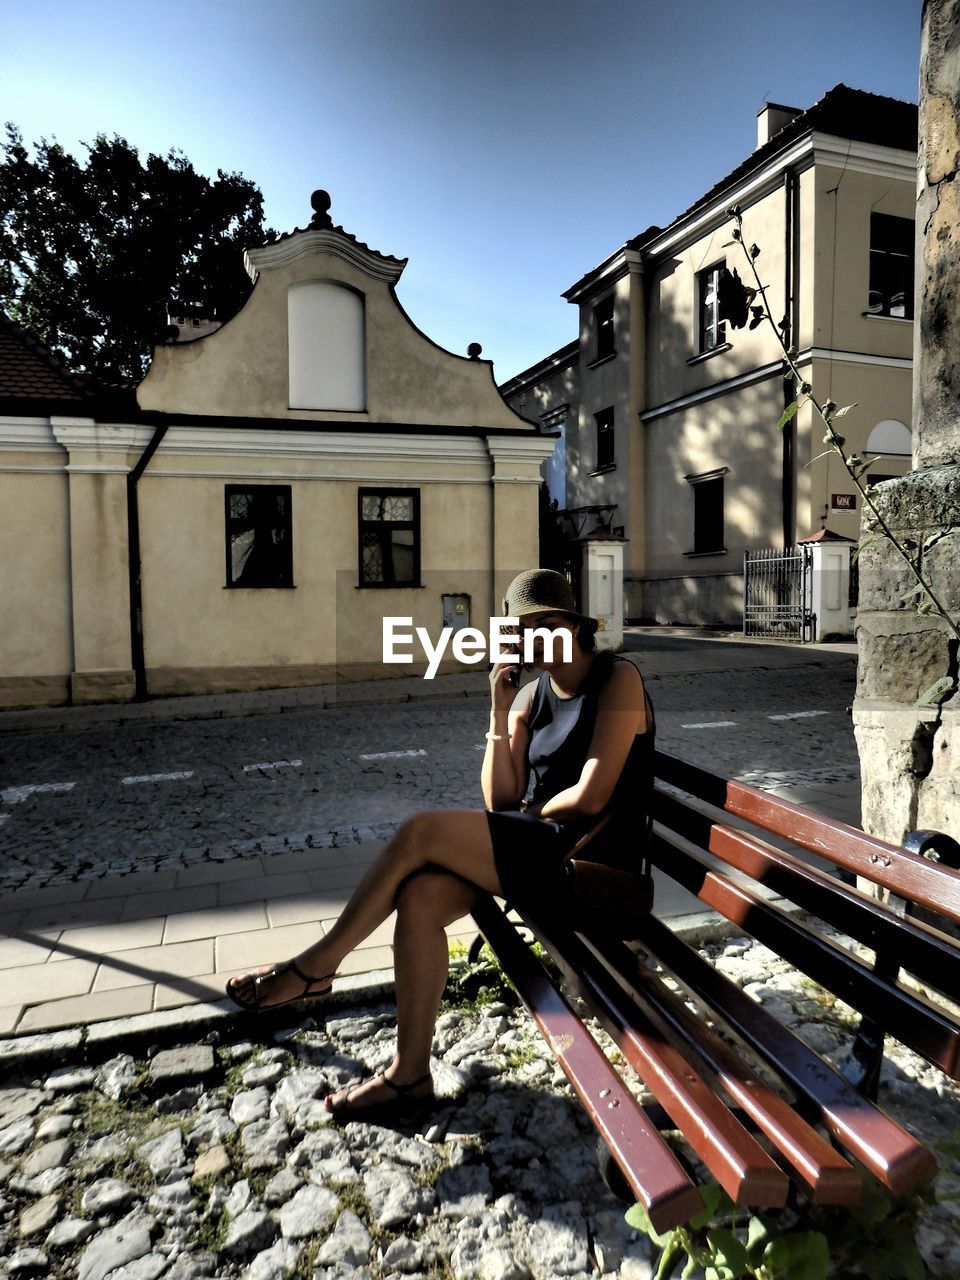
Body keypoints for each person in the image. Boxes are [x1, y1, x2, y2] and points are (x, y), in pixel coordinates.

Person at [226, 568, 654, 1118]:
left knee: (420, 832)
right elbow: (500, 796)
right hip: (540, 856)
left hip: (593, 872)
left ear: (576, 625)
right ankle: (409, 1076)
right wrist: (499, 714)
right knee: (423, 894)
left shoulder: (618, 679)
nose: (536, 638)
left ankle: (318, 965)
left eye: (548, 624)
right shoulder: (528, 697)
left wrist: (532, 811)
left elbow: (592, 795)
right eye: (523, 629)